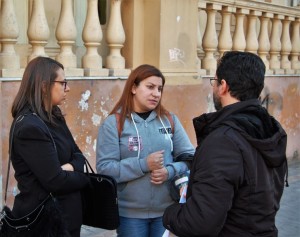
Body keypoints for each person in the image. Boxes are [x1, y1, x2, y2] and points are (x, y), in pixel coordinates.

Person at [163, 51, 288, 237]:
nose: (213, 87)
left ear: (223, 86)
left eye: (214, 81)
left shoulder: (223, 141)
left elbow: (200, 224)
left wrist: (170, 213)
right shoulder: (269, 128)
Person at [96, 64, 195, 237]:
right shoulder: (114, 124)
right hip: (129, 215)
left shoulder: (169, 120)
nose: (156, 93)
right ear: (134, 88)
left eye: (160, 89)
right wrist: (143, 164)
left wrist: (169, 171)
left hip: (166, 212)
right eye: (150, 87)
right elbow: (105, 169)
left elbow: (190, 159)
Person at [9, 56, 89, 237]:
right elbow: (55, 181)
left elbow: (78, 155)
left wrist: (69, 167)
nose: (67, 88)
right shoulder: (30, 127)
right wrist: (85, 179)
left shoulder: (54, 115)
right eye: (63, 83)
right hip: (44, 224)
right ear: (44, 86)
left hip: (66, 219)